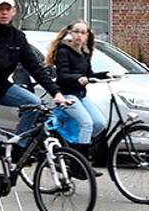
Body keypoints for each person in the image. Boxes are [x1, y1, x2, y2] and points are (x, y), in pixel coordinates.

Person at [0, 0, 68, 208]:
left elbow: (35, 68)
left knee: (35, 104)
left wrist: (56, 92)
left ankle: (18, 148)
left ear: (14, 12)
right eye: (1, 8)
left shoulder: (18, 38)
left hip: (0, 88)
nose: (5, 12)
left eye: (8, 8)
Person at [46, 20, 111, 165]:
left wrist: (106, 75)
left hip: (80, 95)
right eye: (76, 32)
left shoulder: (85, 52)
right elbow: (62, 76)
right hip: (66, 94)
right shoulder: (63, 51)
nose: (79, 36)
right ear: (70, 33)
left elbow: (89, 74)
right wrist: (78, 78)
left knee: (99, 123)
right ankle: (80, 163)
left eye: (83, 33)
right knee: (87, 123)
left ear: (87, 35)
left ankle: (76, 149)